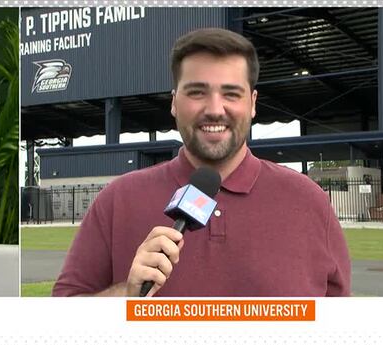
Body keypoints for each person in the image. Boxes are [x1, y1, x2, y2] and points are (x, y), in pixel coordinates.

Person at [53, 28, 351, 297]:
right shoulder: (117, 201)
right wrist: (126, 296)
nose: (214, 109)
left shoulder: (309, 202)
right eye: (197, 92)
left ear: (253, 103)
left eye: (231, 94)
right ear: (174, 102)